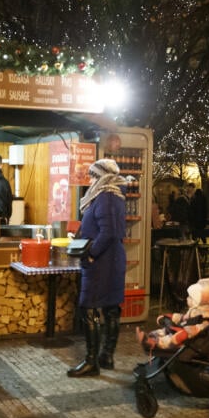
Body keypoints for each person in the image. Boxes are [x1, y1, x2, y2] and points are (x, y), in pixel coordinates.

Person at [67, 159, 127, 377]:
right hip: (110, 258)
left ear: (102, 176)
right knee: (111, 307)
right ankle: (106, 356)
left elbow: (109, 231)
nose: (90, 180)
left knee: (90, 308)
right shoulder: (111, 195)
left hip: (102, 261)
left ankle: (92, 361)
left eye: (93, 175)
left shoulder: (107, 196)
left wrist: (91, 253)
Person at [135, 278, 209, 351]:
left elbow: (203, 327)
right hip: (182, 329)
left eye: (190, 297)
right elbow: (184, 318)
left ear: (198, 300)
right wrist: (172, 317)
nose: (187, 299)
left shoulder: (206, 314)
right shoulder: (196, 309)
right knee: (164, 330)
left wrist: (189, 330)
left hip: (189, 339)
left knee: (170, 338)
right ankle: (149, 338)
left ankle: (153, 344)